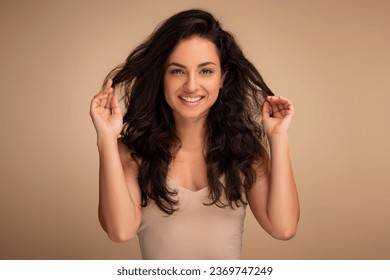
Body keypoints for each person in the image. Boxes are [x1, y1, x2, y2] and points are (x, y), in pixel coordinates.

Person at [89, 9, 299, 260]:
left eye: (206, 71)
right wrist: (105, 138)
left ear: (223, 77)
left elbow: (283, 228)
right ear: (161, 77)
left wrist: (278, 136)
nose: (191, 85)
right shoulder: (131, 153)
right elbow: (120, 231)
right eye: (177, 71)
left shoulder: (245, 152)